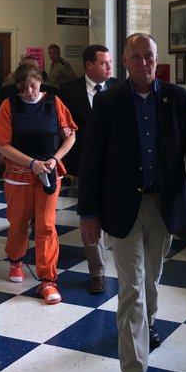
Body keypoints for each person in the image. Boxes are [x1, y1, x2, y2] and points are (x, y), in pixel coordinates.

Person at [77, 33, 186, 372]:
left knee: (151, 275)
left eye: (148, 56)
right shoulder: (108, 103)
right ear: (124, 61)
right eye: (135, 57)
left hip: (164, 205)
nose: (143, 63)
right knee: (130, 286)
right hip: (121, 207)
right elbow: (92, 160)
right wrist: (88, 212)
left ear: (156, 58)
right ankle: (134, 371)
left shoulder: (178, 99)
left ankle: (150, 320)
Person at [0, 64, 77, 305]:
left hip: (49, 173)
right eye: (24, 87)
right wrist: (31, 164)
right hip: (19, 175)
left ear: (41, 83)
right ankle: (16, 261)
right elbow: (2, 145)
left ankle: (48, 280)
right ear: (18, 87)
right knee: (19, 222)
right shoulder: (9, 106)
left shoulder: (54, 103)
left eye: (33, 86)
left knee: (47, 226)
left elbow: (70, 135)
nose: (29, 91)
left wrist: (54, 159)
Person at [58, 44, 119, 294]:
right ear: (88, 66)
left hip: (116, 165)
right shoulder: (68, 91)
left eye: (110, 62)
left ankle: (123, 264)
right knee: (89, 216)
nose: (109, 67)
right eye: (104, 63)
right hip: (84, 163)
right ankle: (98, 272)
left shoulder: (119, 88)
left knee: (117, 214)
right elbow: (61, 125)